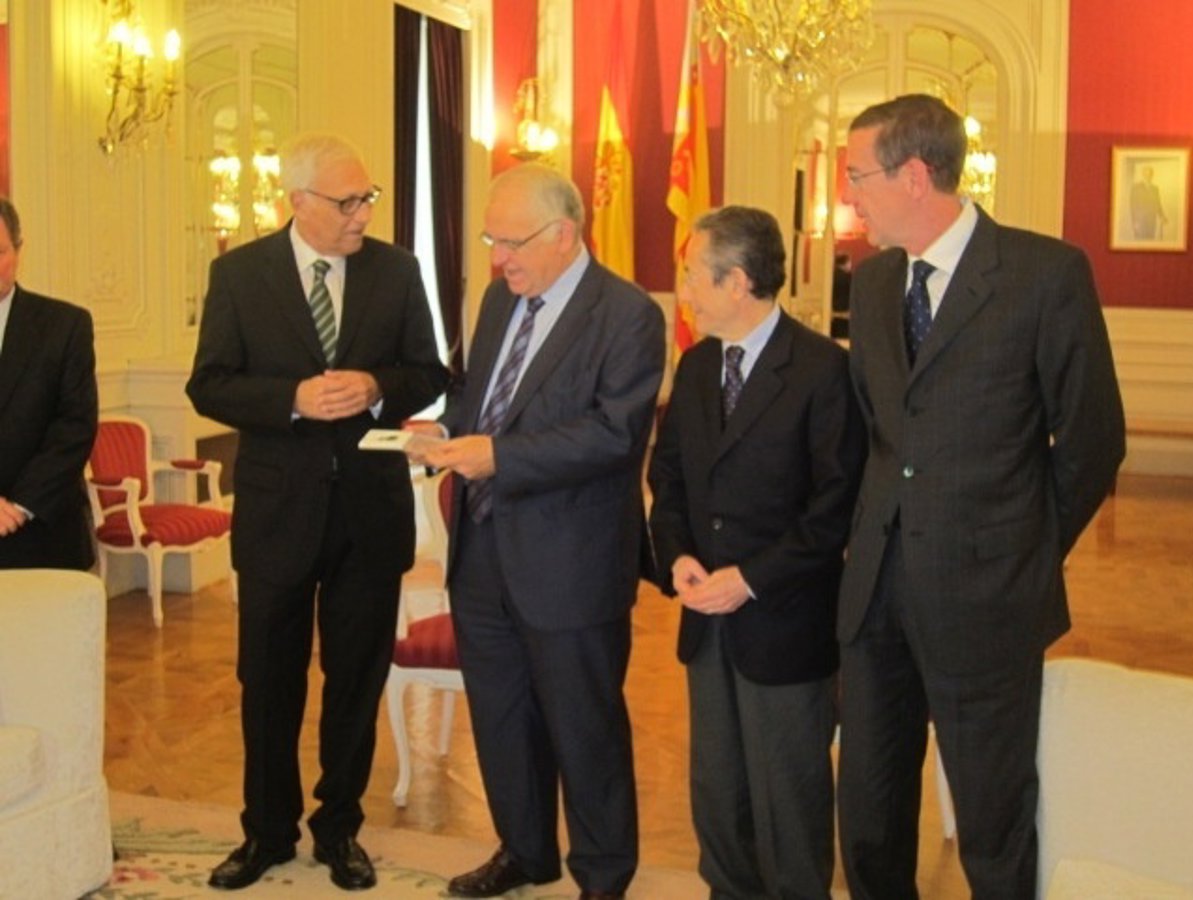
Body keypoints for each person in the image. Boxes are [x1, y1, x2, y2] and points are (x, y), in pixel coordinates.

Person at [835, 94, 1125, 900]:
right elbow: (875, 430)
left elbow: (1094, 440)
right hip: (876, 593)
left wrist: (1023, 548)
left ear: (914, 176)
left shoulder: (1044, 275)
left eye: (858, 175)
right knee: (868, 813)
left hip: (989, 598)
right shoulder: (873, 281)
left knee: (992, 822)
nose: (849, 194)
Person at [186, 133, 449, 891]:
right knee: (268, 683)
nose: (362, 213)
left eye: (368, 198)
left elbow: (428, 372)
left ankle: (339, 830)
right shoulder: (240, 275)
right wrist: (291, 400)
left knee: (355, 682)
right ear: (297, 201)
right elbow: (209, 384)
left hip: (369, 517)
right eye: (347, 201)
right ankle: (266, 832)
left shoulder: (397, 271)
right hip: (277, 517)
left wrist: (376, 387)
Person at [408, 162, 665, 900]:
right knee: (501, 719)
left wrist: (498, 456)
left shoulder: (627, 314)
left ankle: (603, 877)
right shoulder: (500, 299)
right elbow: (481, 396)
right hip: (482, 551)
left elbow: (615, 434)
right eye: (492, 240)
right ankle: (524, 852)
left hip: (572, 562)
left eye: (512, 241)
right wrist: (444, 429)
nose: (499, 258)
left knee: (585, 730)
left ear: (565, 234)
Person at [648, 205, 865, 900]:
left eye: (692, 274)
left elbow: (834, 508)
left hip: (785, 624)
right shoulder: (696, 365)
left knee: (789, 801)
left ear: (737, 281)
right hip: (705, 624)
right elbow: (669, 479)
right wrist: (676, 555)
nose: (683, 290)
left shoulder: (823, 370)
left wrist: (749, 579)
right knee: (718, 793)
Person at [0, 197, 98, 571]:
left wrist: (18, 507)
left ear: (18, 250)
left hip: (41, 535)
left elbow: (75, 429)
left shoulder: (64, 326)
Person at [1129, 164, 1167, 239]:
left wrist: (1162, 216)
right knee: (1140, 240)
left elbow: (1157, 203)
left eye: (1149, 174)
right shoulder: (1136, 187)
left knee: (1150, 238)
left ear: (1152, 175)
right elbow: (1133, 206)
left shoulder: (1155, 189)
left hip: (1151, 219)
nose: (1148, 176)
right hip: (1140, 220)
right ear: (1143, 175)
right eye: (1146, 174)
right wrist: (1135, 221)